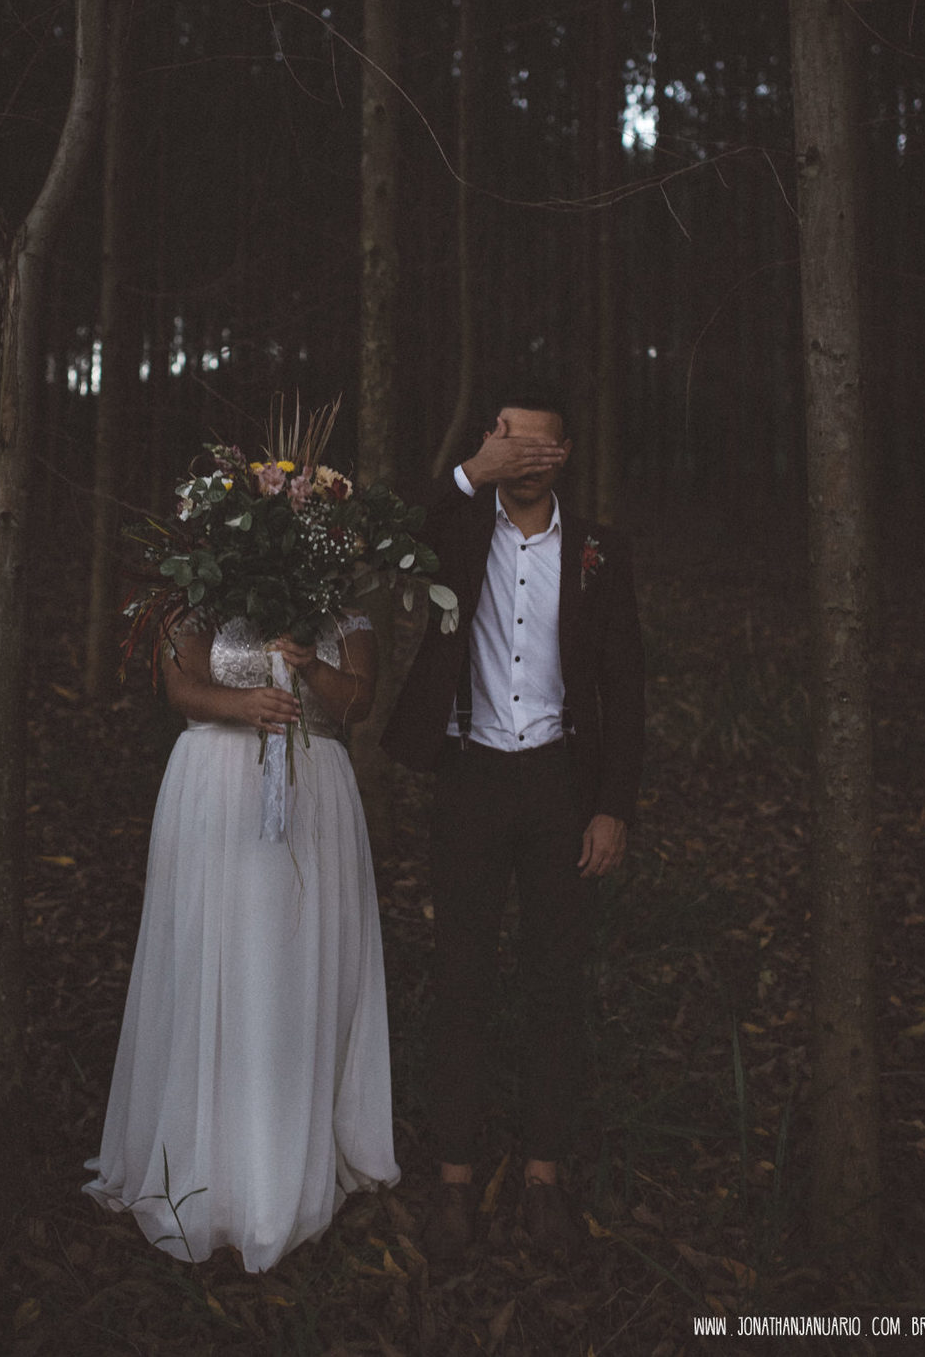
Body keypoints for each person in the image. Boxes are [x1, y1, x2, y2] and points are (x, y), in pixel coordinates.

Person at [382, 388, 644, 1267]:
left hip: (561, 788)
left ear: (561, 454)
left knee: (554, 985)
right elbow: (383, 538)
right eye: (498, 439)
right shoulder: (456, 529)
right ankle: (453, 1183)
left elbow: (627, 685)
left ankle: (542, 1180)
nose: (510, 453)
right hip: (469, 778)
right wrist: (465, 474)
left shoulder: (600, 549)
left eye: (527, 444)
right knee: (459, 981)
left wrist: (612, 804)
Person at [84, 611, 400, 1272]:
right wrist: (244, 704)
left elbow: (358, 704)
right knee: (212, 968)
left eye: (307, 495)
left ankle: (282, 1165)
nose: (291, 496)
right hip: (218, 785)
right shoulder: (201, 579)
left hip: (316, 797)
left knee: (292, 979)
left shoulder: (339, 597)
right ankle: (202, 1164)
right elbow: (182, 687)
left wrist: (311, 665)